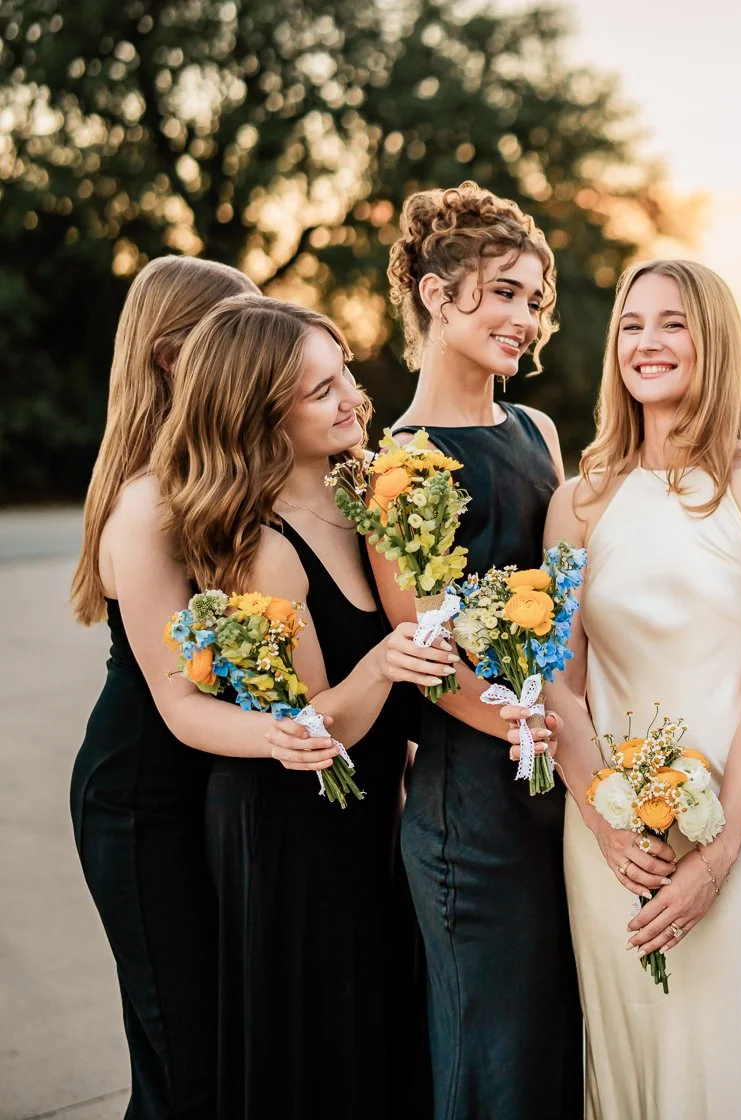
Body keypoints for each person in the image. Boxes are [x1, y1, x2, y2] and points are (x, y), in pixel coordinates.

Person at [508, 259, 741, 1118]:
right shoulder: (578, 503)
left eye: (673, 323)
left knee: (734, 1059)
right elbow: (558, 687)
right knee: (629, 1059)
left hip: (739, 836)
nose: (648, 342)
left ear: (713, 338)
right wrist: (609, 828)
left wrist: (718, 860)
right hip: (608, 840)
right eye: (632, 324)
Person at [151, 294, 450, 1118]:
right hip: (293, 830)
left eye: (345, 371)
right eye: (322, 391)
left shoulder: (361, 499)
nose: (353, 395)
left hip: (364, 826)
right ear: (261, 414)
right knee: (323, 1052)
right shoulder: (263, 549)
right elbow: (321, 726)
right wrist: (389, 665)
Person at [376, 182, 580, 1119]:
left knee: (554, 1040)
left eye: (534, 300)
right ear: (434, 292)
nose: (523, 319)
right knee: (488, 1049)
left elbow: (572, 591)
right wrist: (533, 730)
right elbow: (430, 654)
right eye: (502, 292)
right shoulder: (395, 462)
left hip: (559, 781)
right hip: (473, 802)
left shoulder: (536, 430)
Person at [69, 255, 258, 1120]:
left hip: (206, 790)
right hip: (143, 801)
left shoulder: (214, 475)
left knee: (213, 1048)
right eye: (238, 336)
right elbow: (185, 696)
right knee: (186, 1064)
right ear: (177, 357)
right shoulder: (148, 506)